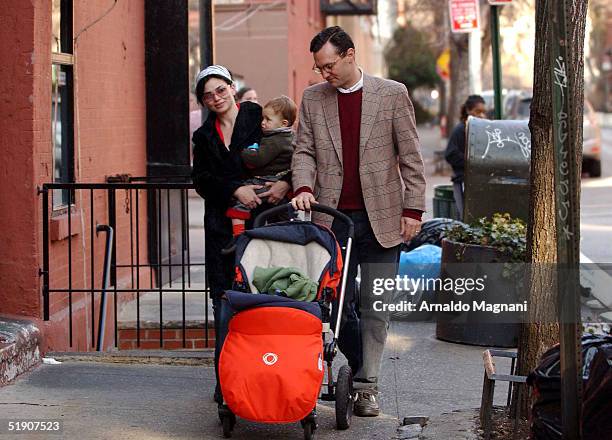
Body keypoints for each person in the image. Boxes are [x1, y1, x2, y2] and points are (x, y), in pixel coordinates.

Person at [291, 26, 426, 417]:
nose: (324, 74)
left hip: (384, 219)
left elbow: (411, 157)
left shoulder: (391, 94)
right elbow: (304, 151)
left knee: (376, 306)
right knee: (335, 304)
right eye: (319, 68)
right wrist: (302, 185)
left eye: (329, 65)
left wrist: (413, 210)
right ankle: (354, 368)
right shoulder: (314, 99)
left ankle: (367, 387)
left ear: (350, 55)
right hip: (333, 221)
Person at [190, 65, 291, 405]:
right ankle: (226, 384)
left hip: (266, 220)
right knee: (225, 303)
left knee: (269, 295)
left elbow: (290, 146)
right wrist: (235, 190)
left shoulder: (256, 115)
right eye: (208, 95)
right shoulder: (203, 137)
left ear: (232, 88)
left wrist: (286, 182)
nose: (216, 98)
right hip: (223, 229)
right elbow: (202, 180)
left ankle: (273, 377)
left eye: (220, 90)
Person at [226, 95, 297, 237]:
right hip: (279, 179)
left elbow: (258, 159)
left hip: (265, 180)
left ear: (283, 123)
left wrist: (244, 152)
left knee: (240, 204)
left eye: (268, 120)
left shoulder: (274, 141)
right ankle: (292, 229)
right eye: (263, 118)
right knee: (283, 209)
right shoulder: (290, 137)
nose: (263, 123)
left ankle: (238, 236)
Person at [444, 95, 486, 220]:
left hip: (476, 181)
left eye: (483, 112)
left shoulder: (480, 129)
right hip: (462, 181)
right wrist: (472, 161)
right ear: (468, 111)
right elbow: (450, 154)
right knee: (464, 216)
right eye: (478, 111)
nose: (482, 115)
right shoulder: (460, 130)